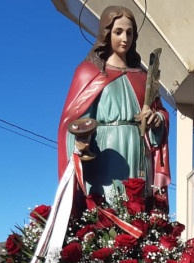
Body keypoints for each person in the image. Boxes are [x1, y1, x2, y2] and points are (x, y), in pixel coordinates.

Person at [58, 5, 170, 200]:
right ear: (106, 34)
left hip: (138, 149)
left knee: (137, 204)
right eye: (118, 32)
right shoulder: (89, 72)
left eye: (129, 32)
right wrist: (80, 141)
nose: (125, 38)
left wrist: (156, 119)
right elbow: (75, 121)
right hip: (106, 150)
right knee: (108, 202)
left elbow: (160, 111)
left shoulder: (143, 77)